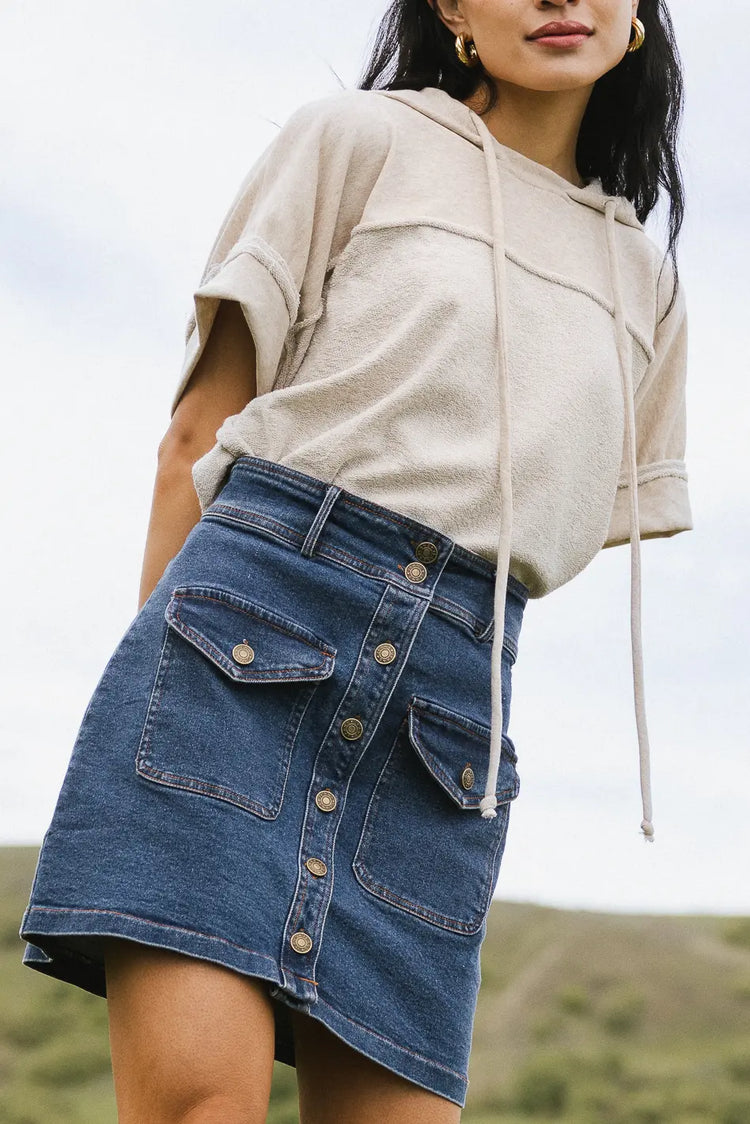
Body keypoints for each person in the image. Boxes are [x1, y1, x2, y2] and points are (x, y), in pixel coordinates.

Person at [19, 1, 693, 1120]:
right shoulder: (355, 142)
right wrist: (158, 722)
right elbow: (197, 434)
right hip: (242, 640)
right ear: (451, 9)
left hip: (441, 735)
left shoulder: (650, 286)